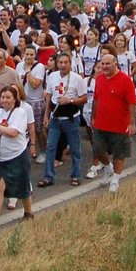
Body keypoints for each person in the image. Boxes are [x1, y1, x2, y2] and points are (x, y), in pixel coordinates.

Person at [0, 85, 34, 232]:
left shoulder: (20, 113)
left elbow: (13, 132)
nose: (4, 100)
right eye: (2, 97)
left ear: (15, 99)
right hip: (1, 157)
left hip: (17, 155)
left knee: (22, 185)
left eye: (8, 97)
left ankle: (28, 212)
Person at [88, 50, 136, 194]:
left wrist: (132, 123)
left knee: (119, 153)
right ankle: (108, 168)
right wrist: (93, 116)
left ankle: (115, 178)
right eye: (102, 64)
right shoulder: (100, 79)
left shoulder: (125, 80)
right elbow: (96, 99)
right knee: (97, 149)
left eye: (107, 64)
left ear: (115, 64)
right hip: (101, 123)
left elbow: (132, 103)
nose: (104, 66)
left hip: (119, 124)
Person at [41, 52, 87, 187]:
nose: (63, 65)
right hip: (55, 118)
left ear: (70, 63)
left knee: (75, 148)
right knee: (50, 147)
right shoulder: (52, 76)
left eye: (66, 62)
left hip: (71, 118)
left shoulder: (77, 79)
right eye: (60, 62)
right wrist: (46, 116)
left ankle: (76, 175)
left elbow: (84, 98)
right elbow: (49, 96)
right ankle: (48, 176)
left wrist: (70, 100)